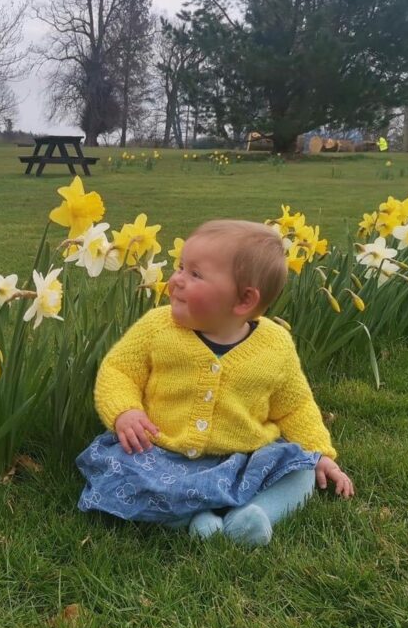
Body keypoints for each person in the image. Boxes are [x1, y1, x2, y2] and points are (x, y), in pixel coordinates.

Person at [76, 219, 354, 546]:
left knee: (300, 471)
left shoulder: (275, 346)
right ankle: (195, 519)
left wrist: (321, 454)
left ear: (243, 301)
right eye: (181, 267)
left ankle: (255, 515)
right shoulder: (156, 327)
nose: (176, 279)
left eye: (195, 274)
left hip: (241, 459)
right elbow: (119, 370)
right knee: (123, 470)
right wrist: (124, 411)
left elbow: (295, 406)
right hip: (164, 455)